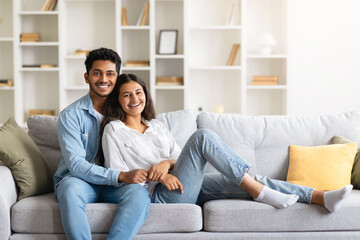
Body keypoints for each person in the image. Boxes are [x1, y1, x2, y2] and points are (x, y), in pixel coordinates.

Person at [100, 73, 353, 215]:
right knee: (202, 137)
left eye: (138, 92)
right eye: (126, 94)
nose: (134, 98)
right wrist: (156, 177)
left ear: (145, 95)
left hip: (182, 184)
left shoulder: (156, 126)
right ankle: (258, 192)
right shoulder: (114, 130)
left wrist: (166, 164)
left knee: (255, 179)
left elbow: (178, 158)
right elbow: (116, 176)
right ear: (118, 101)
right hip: (157, 197)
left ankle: (321, 198)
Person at [54, 48, 150, 240]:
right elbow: (76, 165)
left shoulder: (128, 110)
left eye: (110, 74)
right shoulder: (70, 115)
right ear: (86, 77)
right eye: (97, 73)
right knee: (69, 190)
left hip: (116, 186)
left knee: (139, 194)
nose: (103, 79)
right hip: (81, 181)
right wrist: (120, 175)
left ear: (117, 77)